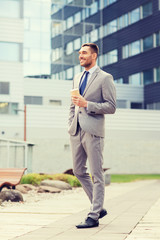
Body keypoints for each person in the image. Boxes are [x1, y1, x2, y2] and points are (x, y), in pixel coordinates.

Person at [68, 43, 116, 228]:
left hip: (94, 131)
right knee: (78, 171)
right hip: (76, 130)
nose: (80, 56)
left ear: (94, 56)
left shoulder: (105, 78)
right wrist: (71, 123)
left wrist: (87, 104)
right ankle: (99, 207)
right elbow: (72, 104)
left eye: (84, 53)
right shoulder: (77, 77)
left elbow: (111, 106)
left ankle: (94, 215)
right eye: (79, 53)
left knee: (96, 174)